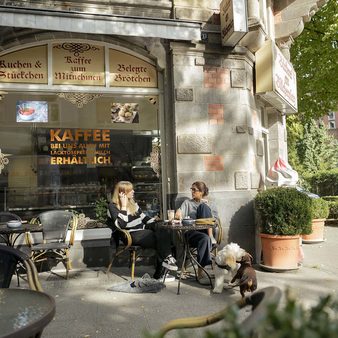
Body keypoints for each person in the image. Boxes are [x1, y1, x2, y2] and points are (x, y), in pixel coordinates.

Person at [108, 181, 178, 280]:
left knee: (162, 228)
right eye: (130, 190)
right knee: (160, 239)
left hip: (143, 231)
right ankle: (162, 268)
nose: (133, 191)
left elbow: (144, 218)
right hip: (130, 234)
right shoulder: (113, 206)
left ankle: (166, 261)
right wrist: (123, 206)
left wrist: (159, 221)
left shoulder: (133, 204)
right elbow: (122, 225)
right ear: (122, 193)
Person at [175, 181, 218, 284]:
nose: (192, 192)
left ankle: (200, 273)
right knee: (205, 238)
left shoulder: (210, 204)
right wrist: (178, 213)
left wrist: (208, 209)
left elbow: (215, 221)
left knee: (204, 207)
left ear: (202, 192)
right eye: (192, 189)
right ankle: (201, 273)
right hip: (192, 233)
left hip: (206, 231)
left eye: (195, 190)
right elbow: (178, 214)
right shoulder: (187, 203)